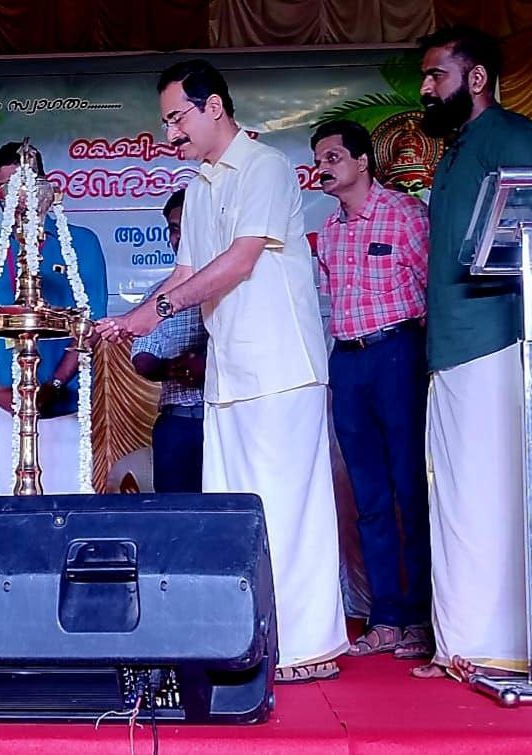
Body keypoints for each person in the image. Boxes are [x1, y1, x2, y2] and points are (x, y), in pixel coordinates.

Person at [98, 61, 348, 682]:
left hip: (281, 368)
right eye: (165, 124)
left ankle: (307, 648)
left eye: (177, 119)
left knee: (288, 508)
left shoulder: (261, 168)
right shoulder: (203, 184)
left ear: (214, 109)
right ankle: (252, 638)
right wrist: (131, 319)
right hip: (228, 374)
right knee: (239, 513)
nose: (170, 136)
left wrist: (153, 311)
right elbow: (185, 275)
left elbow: (238, 263)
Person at [412, 26, 532, 679]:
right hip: (449, 349)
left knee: (501, 497)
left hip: (500, 342)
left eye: (434, 75)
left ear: (474, 78)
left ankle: (509, 644)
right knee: (456, 500)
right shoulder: (456, 150)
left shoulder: (514, 138)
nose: (424, 88)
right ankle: (462, 646)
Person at [312, 120, 432, 659]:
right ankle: (384, 617)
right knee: (368, 494)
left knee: (411, 487)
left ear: (363, 162)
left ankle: (421, 617)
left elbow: (434, 293)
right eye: (320, 157)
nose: (324, 165)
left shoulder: (406, 215)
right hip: (349, 362)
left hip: (398, 354)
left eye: (335, 155)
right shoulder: (329, 232)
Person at [0, 142, 108, 495]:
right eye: (7, 187)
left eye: (26, 183)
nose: (18, 196)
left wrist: (52, 388)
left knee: (63, 505)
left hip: (61, 405)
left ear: (45, 186)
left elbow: (90, 324)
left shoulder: (80, 243)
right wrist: (1, 393)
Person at [130, 189, 207, 493]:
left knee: (229, 514)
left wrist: (208, 365)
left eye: (187, 227)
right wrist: (169, 368)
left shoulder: (238, 287)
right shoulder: (160, 294)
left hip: (226, 421)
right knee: (176, 520)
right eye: (174, 229)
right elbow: (142, 355)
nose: (180, 237)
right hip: (178, 424)